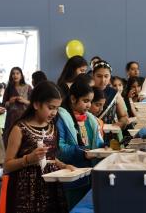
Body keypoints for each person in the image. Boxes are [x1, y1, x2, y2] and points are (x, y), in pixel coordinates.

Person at [4, 81, 74, 213]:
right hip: (26, 192)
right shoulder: (20, 129)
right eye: (51, 107)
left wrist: (64, 166)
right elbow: (7, 165)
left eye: (57, 108)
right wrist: (28, 159)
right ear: (36, 104)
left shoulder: (53, 127)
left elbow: (50, 158)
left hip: (52, 189)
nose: (54, 112)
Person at [57, 81, 103, 210]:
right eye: (85, 100)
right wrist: (81, 152)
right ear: (73, 99)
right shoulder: (62, 118)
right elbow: (59, 150)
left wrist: (105, 146)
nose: (89, 105)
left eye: (91, 101)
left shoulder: (90, 119)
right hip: (71, 178)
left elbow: (97, 144)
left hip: (90, 177)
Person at [92, 60, 128, 135]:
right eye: (99, 76)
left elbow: (124, 116)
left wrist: (121, 123)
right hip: (91, 133)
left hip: (110, 134)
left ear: (110, 76)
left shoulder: (115, 94)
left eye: (106, 76)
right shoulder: (87, 92)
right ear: (93, 75)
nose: (103, 80)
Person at [2, 67, 32, 147]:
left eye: (17, 73)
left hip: (25, 116)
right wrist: (9, 102)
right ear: (11, 76)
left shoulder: (28, 87)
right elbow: (3, 105)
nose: (15, 75)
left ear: (21, 75)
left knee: (25, 139)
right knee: (11, 140)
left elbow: (33, 103)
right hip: (11, 118)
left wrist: (24, 101)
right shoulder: (9, 88)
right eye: (13, 73)